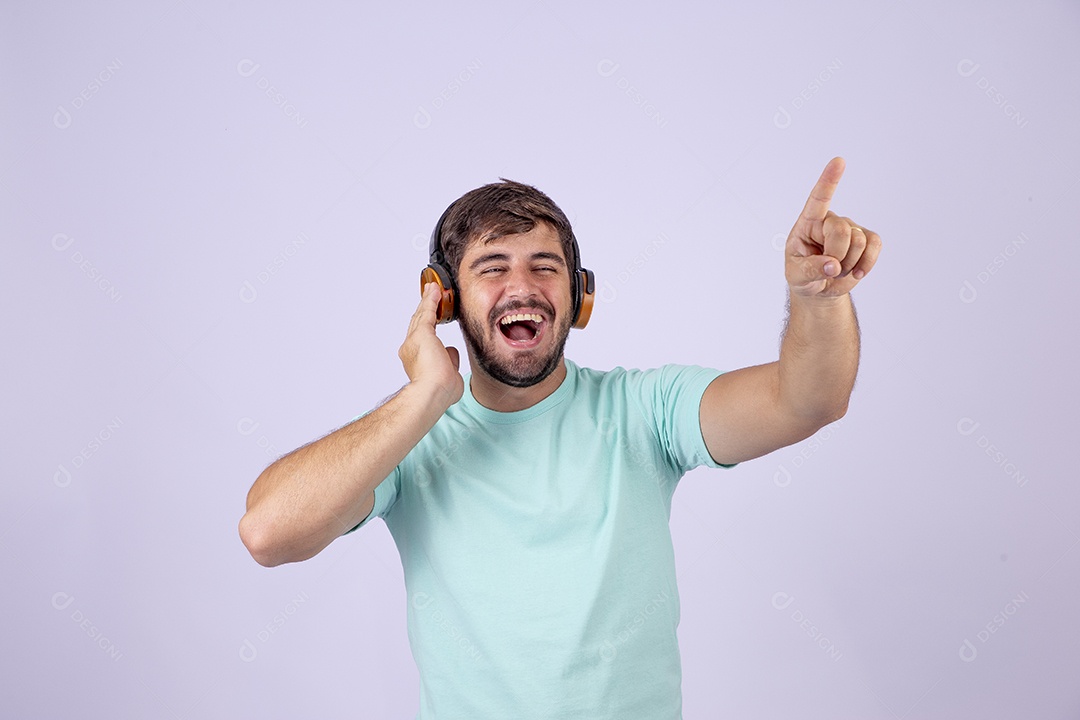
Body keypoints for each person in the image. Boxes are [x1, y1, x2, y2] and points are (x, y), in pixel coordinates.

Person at [238, 157, 881, 718]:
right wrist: (423, 397)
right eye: (492, 267)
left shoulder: (645, 410)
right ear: (444, 299)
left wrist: (818, 298)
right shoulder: (407, 441)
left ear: (579, 297)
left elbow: (808, 401)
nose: (522, 287)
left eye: (545, 267)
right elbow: (268, 534)